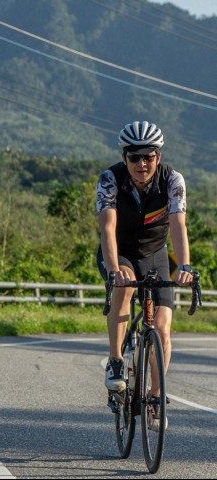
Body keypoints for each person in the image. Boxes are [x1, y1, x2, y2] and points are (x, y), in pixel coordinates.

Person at [95, 121, 193, 418]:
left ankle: (156, 396)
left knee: (162, 328)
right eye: (134, 157)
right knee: (124, 287)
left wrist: (184, 265)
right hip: (119, 252)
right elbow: (107, 228)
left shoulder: (172, 180)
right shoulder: (110, 179)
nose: (142, 164)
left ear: (158, 157)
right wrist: (114, 270)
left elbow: (178, 225)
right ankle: (115, 361)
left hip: (154, 254)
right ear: (124, 158)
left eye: (148, 156)